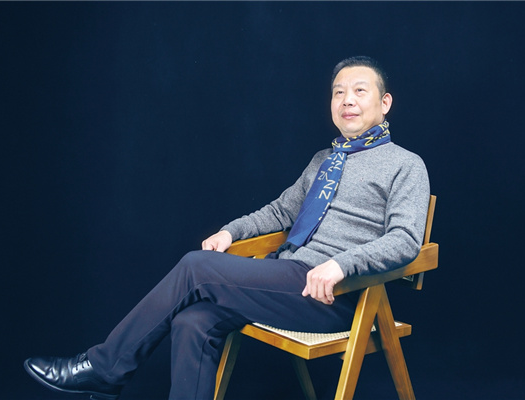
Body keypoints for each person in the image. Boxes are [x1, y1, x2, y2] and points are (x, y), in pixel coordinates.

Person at [24, 56, 430, 400]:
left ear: (385, 102)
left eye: (359, 91)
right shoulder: (324, 160)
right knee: (193, 321)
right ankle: (109, 369)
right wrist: (231, 232)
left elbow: (406, 240)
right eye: (338, 92)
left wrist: (342, 264)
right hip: (288, 278)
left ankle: (104, 367)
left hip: (336, 295)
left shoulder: (406, 165)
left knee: (195, 267)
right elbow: (280, 212)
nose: (347, 100)